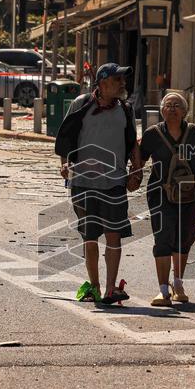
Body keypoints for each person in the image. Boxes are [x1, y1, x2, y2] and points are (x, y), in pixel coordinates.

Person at [55, 62, 142, 305]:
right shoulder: (81, 104)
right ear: (103, 84)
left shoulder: (126, 109)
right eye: (117, 80)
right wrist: (65, 165)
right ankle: (94, 286)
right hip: (83, 182)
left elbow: (133, 142)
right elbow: (66, 137)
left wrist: (136, 171)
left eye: (123, 80)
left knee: (114, 236)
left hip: (114, 182)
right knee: (89, 237)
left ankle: (111, 288)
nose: (122, 84)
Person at [139, 91, 195, 307]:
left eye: (177, 105)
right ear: (161, 111)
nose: (172, 109)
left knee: (184, 238)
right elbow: (138, 161)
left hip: (191, 195)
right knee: (163, 237)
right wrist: (129, 179)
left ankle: (178, 285)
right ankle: (163, 291)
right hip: (159, 193)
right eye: (168, 105)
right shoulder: (152, 134)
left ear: (185, 111)